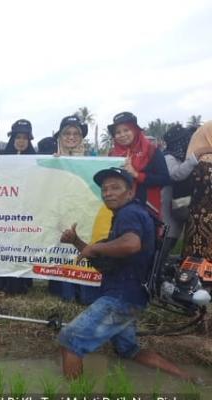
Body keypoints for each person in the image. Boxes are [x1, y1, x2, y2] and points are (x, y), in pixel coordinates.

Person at [58, 167, 194, 382]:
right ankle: (191, 381)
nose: (108, 193)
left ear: (130, 193)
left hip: (121, 297)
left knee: (70, 341)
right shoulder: (131, 214)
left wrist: (95, 247)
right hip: (131, 296)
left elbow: (131, 245)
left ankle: (73, 393)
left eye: (115, 188)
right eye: (104, 189)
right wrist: (77, 242)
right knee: (128, 350)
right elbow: (106, 264)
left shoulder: (129, 213)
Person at [49, 116, 99, 304]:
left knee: (84, 249)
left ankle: (86, 293)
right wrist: (56, 163)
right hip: (61, 212)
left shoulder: (93, 160)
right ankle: (67, 294)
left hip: (86, 214)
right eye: (67, 133)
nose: (71, 137)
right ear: (60, 137)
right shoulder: (52, 159)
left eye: (75, 133)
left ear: (81, 137)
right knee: (64, 252)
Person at [0, 119, 35, 294]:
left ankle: (20, 282)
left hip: (25, 212)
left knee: (21, 247)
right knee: (1, 245)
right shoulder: (0, 156)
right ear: (12, 138)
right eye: (18, 137)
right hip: (3, 212)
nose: (21, 141)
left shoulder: (35, 159)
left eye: (25, 138)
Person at [161, 124, 212, 260]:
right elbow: (176, 174)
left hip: (187, 211)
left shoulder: (185, 158)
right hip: (171, 211)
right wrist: (196, 155)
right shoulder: (169, 157)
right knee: (164, 245)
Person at [108, 112, 170, 217]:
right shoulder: (112, 155)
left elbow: (164, 179)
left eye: (126, 130)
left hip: (147, 211)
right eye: (118, 132)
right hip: (119, 211)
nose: (122, 135)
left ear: (135, 130)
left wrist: (136, 175)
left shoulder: (151, 151)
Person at [183, 121, 212, 260]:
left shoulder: (194, 161)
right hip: (207, 220)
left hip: (195, 216)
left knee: (195, 260)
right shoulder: (207, 162)